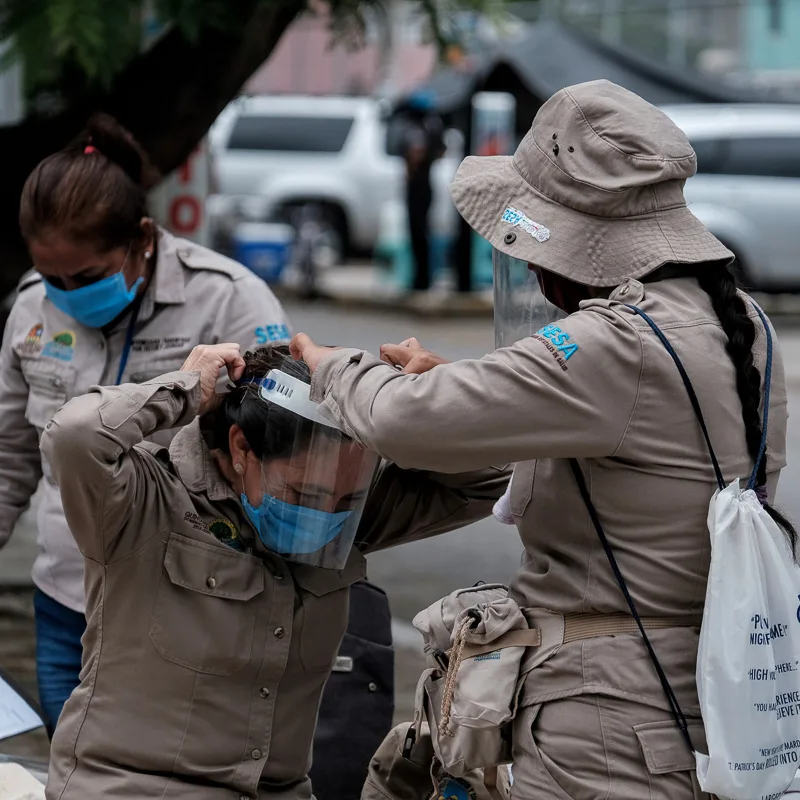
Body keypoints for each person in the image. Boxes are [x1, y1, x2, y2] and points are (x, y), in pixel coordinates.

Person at [290, 80, 793, 799]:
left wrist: (329, 368)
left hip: (609, 716)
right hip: (703, 698)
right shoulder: (739, 321)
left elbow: (402, 420)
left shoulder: (618, 343)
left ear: (578, 244)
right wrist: (467, 386)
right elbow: (626, 446)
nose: (526, 265)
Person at [39, 342, 508, 799]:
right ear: (241, 447)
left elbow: (498, 477)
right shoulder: (145, 499)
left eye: (345, 500)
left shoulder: (345, 524)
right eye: (304, 494)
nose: (324, 514)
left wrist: (438, 403)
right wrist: (185, 389)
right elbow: (74, 435)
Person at [0, 113, 290, 736]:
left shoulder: (230, 299)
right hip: (64, 605)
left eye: (85, 277)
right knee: (72, 767)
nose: (66, 293)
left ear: (142, 238)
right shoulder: (30, 308)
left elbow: (283, 452)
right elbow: (10, 457)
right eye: (53, 278)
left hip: (186, 604)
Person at [402, 91, 445, 294]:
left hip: (418, 187)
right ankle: (422, 278)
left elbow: (415, 154)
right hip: (425, 185)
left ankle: (421, 280)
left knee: (418, 233)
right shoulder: (433, 126)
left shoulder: (419, 128)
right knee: (422, 233)